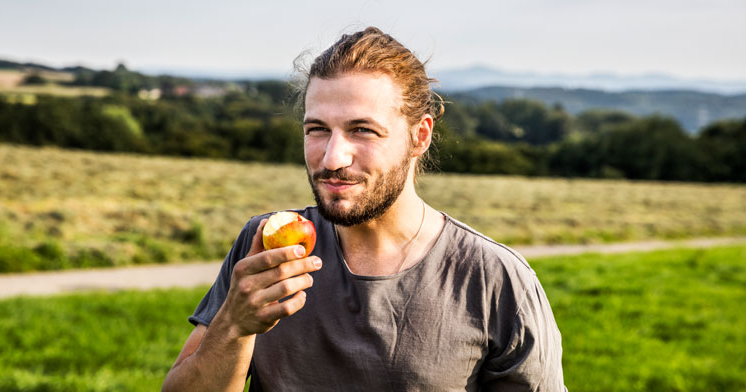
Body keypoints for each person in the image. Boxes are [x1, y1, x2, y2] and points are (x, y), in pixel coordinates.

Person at [163, 27, 566, 391]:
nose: (333, 157)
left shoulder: (496, 280)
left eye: (363, 130)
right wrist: (233, 327)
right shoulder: (264, 246)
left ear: (419, 136)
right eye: (317, 129)